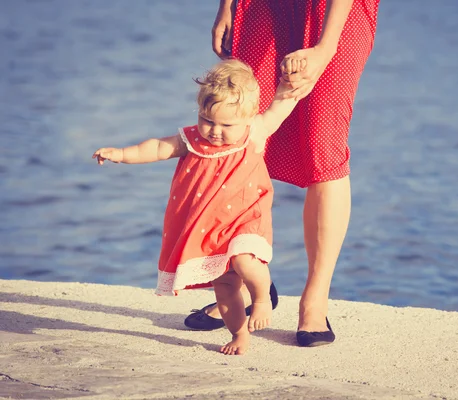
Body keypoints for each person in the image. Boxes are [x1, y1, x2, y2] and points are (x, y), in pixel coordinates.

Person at [184, 0, 381, 347]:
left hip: (333, 12)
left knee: (324, 145)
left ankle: (315, 300)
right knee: (243, 135)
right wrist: (227, 5)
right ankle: (241, 281)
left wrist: (325, 46)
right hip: (263, 7)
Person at [92, 58, 302, 355]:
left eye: (226, 124)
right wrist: (121, 153)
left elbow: (282, 104)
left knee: (244, 260)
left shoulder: (254, 131)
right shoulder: (190, 139)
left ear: (249, 116)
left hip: (245, 216)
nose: (215, 131)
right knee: (225, 287)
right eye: (208, 120)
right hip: (209, 226)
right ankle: (240, 334)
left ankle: (263, 297)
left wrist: (288, 85)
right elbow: (156, 147)